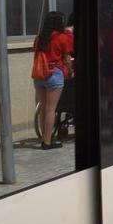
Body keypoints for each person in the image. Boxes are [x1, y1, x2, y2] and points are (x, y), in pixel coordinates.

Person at [32, 11, 71, 149]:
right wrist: (70, 71)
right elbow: (67, 58)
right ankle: (47, 142)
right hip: (54, 73)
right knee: (51, 109)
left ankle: (44, 138)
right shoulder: (61, 38)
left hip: (39, 75)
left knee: (43, 108)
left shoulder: (39, 38)